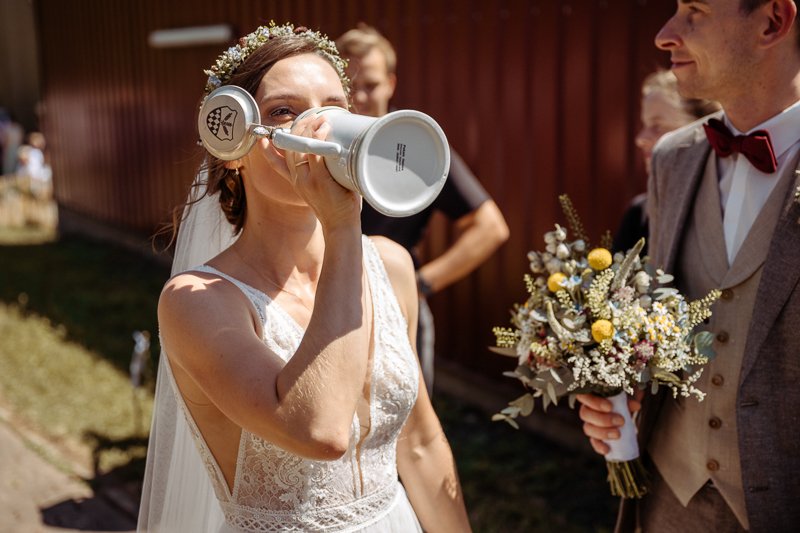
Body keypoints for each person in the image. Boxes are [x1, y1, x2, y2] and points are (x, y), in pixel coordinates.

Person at [137, 23, 471, 533]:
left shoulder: (392, 265)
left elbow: (420, 444)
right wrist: (342, 227)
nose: (317, 129)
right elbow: (320, 430)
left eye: (334, 108)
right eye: (284, 111)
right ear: (233, 149)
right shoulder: (197, 303)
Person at [578, 1, 800, 531]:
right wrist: (622, 383)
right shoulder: (672, 158)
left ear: (772, 22)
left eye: (695, 11)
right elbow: (659, 318)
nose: (664, 34)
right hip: (666, 498)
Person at [336, 25, 509, 395]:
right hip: (323, 301)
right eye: (349, 85)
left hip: (396, 308)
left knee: (407, 421)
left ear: (391, 84)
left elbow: (490, 226)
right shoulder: (324, 139)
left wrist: (421, 285)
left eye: (370, 84)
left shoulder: (413, 144)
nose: (360, 96)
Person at [613, 70, 720, 255]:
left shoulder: (726, 209)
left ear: (702, 129)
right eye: (645, 125)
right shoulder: (638, 215)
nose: (640, 138)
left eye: (658, 126)